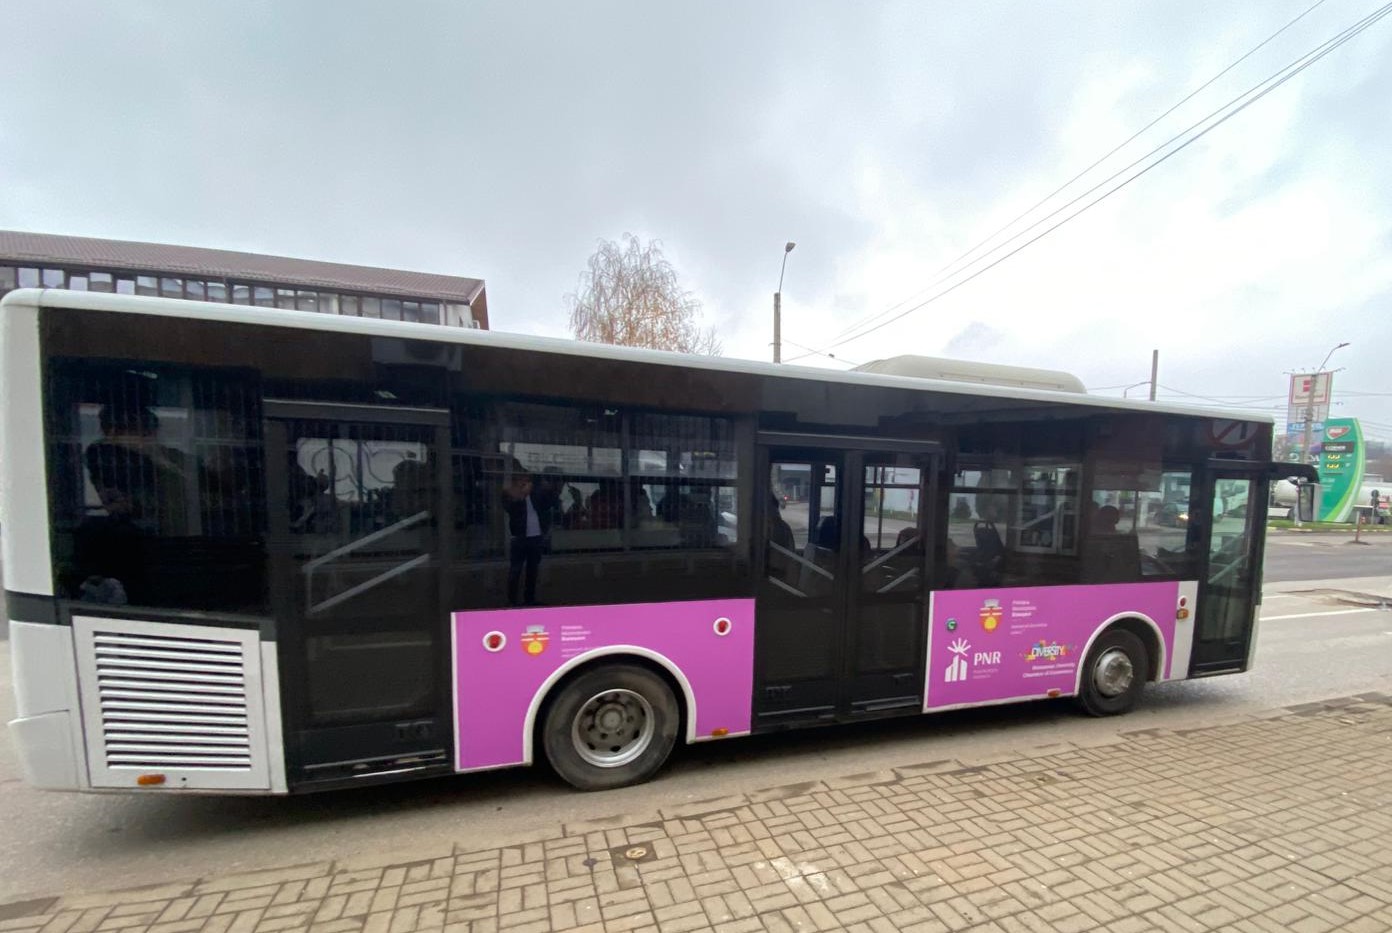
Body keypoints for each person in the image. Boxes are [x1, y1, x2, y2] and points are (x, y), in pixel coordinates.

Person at [502, 468, 557, 606]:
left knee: (532, 570)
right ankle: (512, 601)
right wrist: (522, 494)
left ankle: (529, 599)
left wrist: (547, 489)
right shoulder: (509, 493)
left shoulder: (535, 494)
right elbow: (510, 508)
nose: (525, 482)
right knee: (515, 570)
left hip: (535, 537)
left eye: (527, 479)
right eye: (521, 479)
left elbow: (548, 504)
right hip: (519, 537)